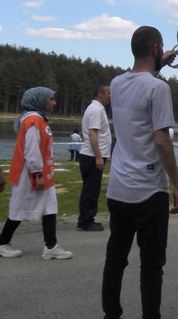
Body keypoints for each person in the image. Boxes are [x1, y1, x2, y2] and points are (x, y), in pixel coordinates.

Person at [101, 25, 178, 319]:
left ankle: (111, 313)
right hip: (149, 190)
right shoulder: (159, 88)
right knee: (150, 264)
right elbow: (162, 141)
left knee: (115, 258)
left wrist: (159, 63)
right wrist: (176, 183)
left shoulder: (117, 82)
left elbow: (138, 81)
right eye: (159, 49)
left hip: (119, 190)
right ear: (155, 48)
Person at [0, 87, 72, 260]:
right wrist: (38, 177)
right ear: (40, 101)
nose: (54, 102)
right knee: (19, 208)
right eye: (51, 99)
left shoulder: (38, 119)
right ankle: (2, 243)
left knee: (50, 207)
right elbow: (31, 152)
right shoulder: (33, 120)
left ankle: (51, 246)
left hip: (41, 174)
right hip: (30, 175)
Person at [77, 83, 112, 232]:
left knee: (91, 188)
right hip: (92, 156)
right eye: (109, 93)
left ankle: (86, 218)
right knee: (91, 189)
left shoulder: (96, 108)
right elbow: (92, 134)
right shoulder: (96, 110)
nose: (111, 96)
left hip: (91, 155)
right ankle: (86, 221)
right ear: (100, 94)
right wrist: (98, 157)